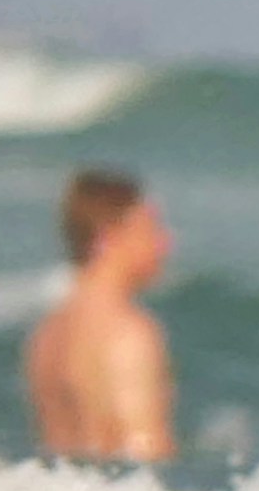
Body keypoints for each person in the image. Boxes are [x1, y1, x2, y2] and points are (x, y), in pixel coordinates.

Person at [24, 166, 175, 462]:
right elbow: (145, 454)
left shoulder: (45, 334)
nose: (164, 243)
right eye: (150, 228)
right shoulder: (128, 332)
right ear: (108, 237)